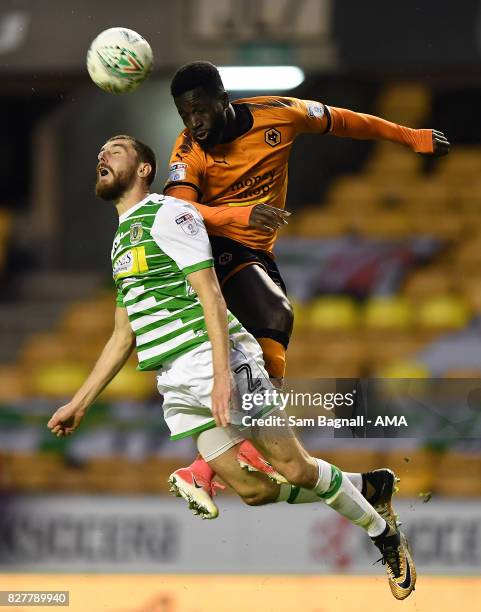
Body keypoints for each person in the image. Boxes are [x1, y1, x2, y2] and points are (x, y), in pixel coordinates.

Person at [48, 135, 416, 600]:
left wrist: (223, 376)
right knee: (254, 490)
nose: (102, 154)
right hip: (175, 380)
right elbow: (123, 334)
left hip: (214, 358)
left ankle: (382, 532)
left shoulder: (168, 214)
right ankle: (370, 486)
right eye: (100, 150)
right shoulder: (122, 238)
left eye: (116, 148)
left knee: (296, 470)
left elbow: (211, 294)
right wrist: (79, 402)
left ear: (144, 168)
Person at [163, 60, 451, 515]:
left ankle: (212, 462)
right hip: (211, 251)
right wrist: (240, 215)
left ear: (223, 99)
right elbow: (178, 215)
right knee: (276, 314)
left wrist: (409, 136)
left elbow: (346, 121)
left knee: (266, 343)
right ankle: (243, 438)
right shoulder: (188, 152)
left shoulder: (280, 113)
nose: (193, 122)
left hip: (256, 252)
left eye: (200, 109)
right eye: (184, 114)